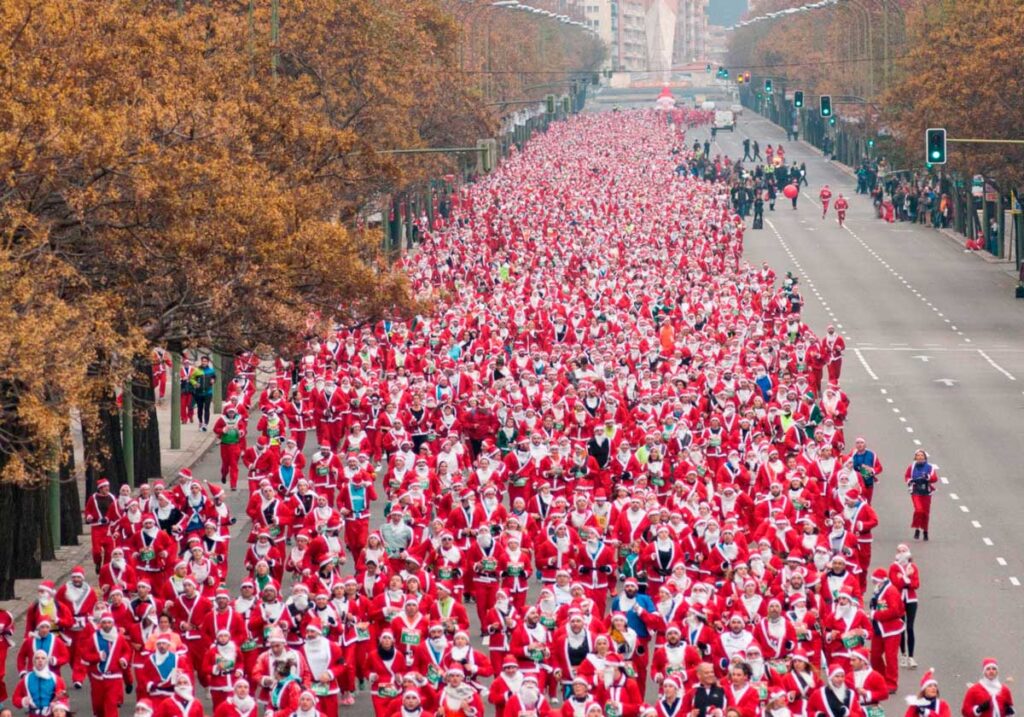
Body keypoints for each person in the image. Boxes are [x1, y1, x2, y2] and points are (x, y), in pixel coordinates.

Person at [889, 545, 920, 668]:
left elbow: (916, 584)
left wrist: (905, 581)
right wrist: (906, 577)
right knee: (901, 627)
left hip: (911, 600)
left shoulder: (913, 567)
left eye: (904, 551)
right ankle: (902, 653)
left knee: (910, 627)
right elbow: (895, 584)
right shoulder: (893, 567)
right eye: (899, 551)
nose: (902, 553)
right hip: (898, 600)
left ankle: (911, 656)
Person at [904, 451, 938, 541]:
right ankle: (917, 528)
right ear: (915, 457)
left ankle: (925, 531)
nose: (919, 457)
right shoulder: (911, 467)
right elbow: (907, 476)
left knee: (925, 513)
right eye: (918, 455)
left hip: (926, 492)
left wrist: (928, 477)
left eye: (921, 455)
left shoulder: (930, 467)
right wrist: (910, 481)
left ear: (925, 457)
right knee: (919, 510)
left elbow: (935, 478)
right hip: (916, 491)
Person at [189, 356, 217, 432]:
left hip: (208, 393)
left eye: (205, 361)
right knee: (200, 409)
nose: (204, 362)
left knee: (207, 408)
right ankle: (201, 422)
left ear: (208, 362)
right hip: (199, 393)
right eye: (203, 361)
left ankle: (205, 424)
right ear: (201, 362)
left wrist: (213, 380)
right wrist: (195, 383)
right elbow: (191, 378)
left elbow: (214, 377)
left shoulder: (211, 371)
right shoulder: (197, 370)